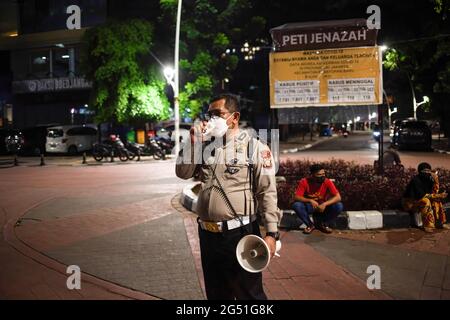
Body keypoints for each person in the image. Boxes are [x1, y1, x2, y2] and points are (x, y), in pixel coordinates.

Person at [175, 93, 282, 300]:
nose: (212, 119)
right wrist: (193, 143)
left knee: (249, 295)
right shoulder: (204, 147)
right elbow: (183, 173)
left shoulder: (255, 147)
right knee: (216, 294)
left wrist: (272, 233)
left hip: (240, 234)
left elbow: (267, 191)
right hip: (208, 234)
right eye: (209, 115)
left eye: (218, 114)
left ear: (234, 117)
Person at [291, 164, 344, 234]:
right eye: (319, 174)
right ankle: (310, 225)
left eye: (323, 174)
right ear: (313, 175)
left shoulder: (327, 181)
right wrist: (310, 200)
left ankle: (323, 224)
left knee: (339, 206)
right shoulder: (304, 181)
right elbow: (296, 197)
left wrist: (325, 204)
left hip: (323, 206)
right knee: (296, 205)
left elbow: (338, 197)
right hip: (310, 206)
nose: (322, 176)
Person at [402, 162, 449, 233]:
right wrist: (438, 195)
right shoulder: (415, 180)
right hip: (410, 203)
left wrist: (436, 180)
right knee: (425, 201)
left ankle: (440, 223)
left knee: (437, 200)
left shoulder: (429, 180)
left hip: (419, 201)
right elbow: (421, 195)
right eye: (425, 171)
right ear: (420, 171)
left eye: (428, 171)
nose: (427, 173)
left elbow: (434, 192)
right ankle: (427, 225)